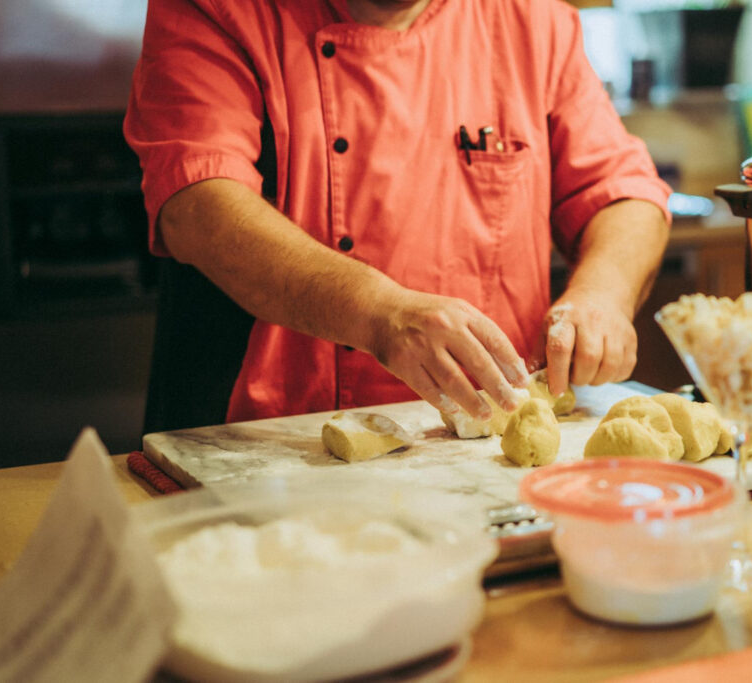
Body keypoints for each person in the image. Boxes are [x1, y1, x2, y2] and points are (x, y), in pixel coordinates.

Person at [124, 0, 671, 428]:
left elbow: (619, 189)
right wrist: (380, 312)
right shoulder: (216, 9)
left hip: (492, 447)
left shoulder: (534, 25)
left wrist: (603, 294)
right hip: (275, 442)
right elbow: (199, 206)